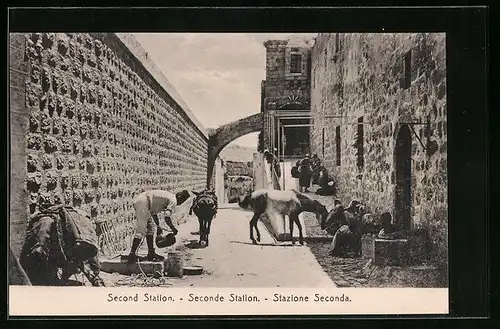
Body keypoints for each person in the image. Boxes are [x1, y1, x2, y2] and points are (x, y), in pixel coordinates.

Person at [127, 189, 191, 264]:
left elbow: (154, 214)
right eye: (182, 201)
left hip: (145, 202)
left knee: (150, 229)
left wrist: (158, 226)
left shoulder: (169, 197)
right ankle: (131, 255)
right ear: (180, 197)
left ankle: (151, 253)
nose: (180, 204)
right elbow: (167, 217)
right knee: (141, 230)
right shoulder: (173, 200)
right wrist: (173, 229)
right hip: (143, 203)